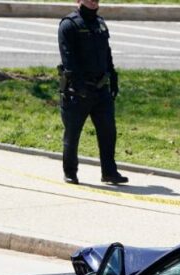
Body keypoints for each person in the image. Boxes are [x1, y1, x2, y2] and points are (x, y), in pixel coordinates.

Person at [58, 0, 128, 185]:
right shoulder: (69, 24)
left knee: (108, 132)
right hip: (77, 92)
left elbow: (107, 54)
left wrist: (113, 78)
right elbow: (68, 60)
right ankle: (70, 172)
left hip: (101, 90)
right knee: (72, 135)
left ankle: (109, 172)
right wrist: (79, 87)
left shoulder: (100, 23)